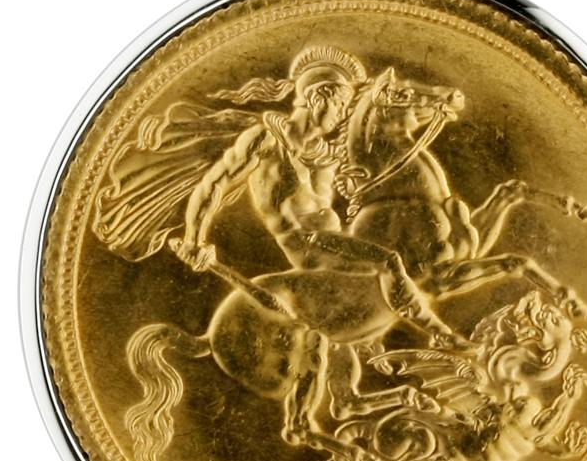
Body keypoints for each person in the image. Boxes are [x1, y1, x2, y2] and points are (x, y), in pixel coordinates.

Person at [166, 45, 467, 350]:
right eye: (340, 104)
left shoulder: (326, 154)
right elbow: (214, 183)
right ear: (318, 97)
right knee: (388, 261)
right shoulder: (266, 140)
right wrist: (194, 239)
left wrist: (434, 106)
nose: (342, 114)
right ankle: (439, 331)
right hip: (308, 245)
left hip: (335, 239)